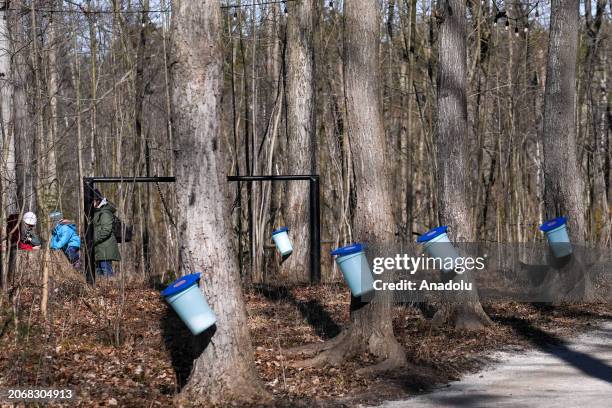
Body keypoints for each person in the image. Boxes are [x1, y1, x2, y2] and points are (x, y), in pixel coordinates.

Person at [92, 189, 120, 276]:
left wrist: (92, 240)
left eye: (92, 201)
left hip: (105, 249)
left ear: (97, 200)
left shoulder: (105, 213)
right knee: (99, 276)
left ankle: (111, 290)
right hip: (100, 248)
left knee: (107, 274)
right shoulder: (98, 212)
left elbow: (106, 230)